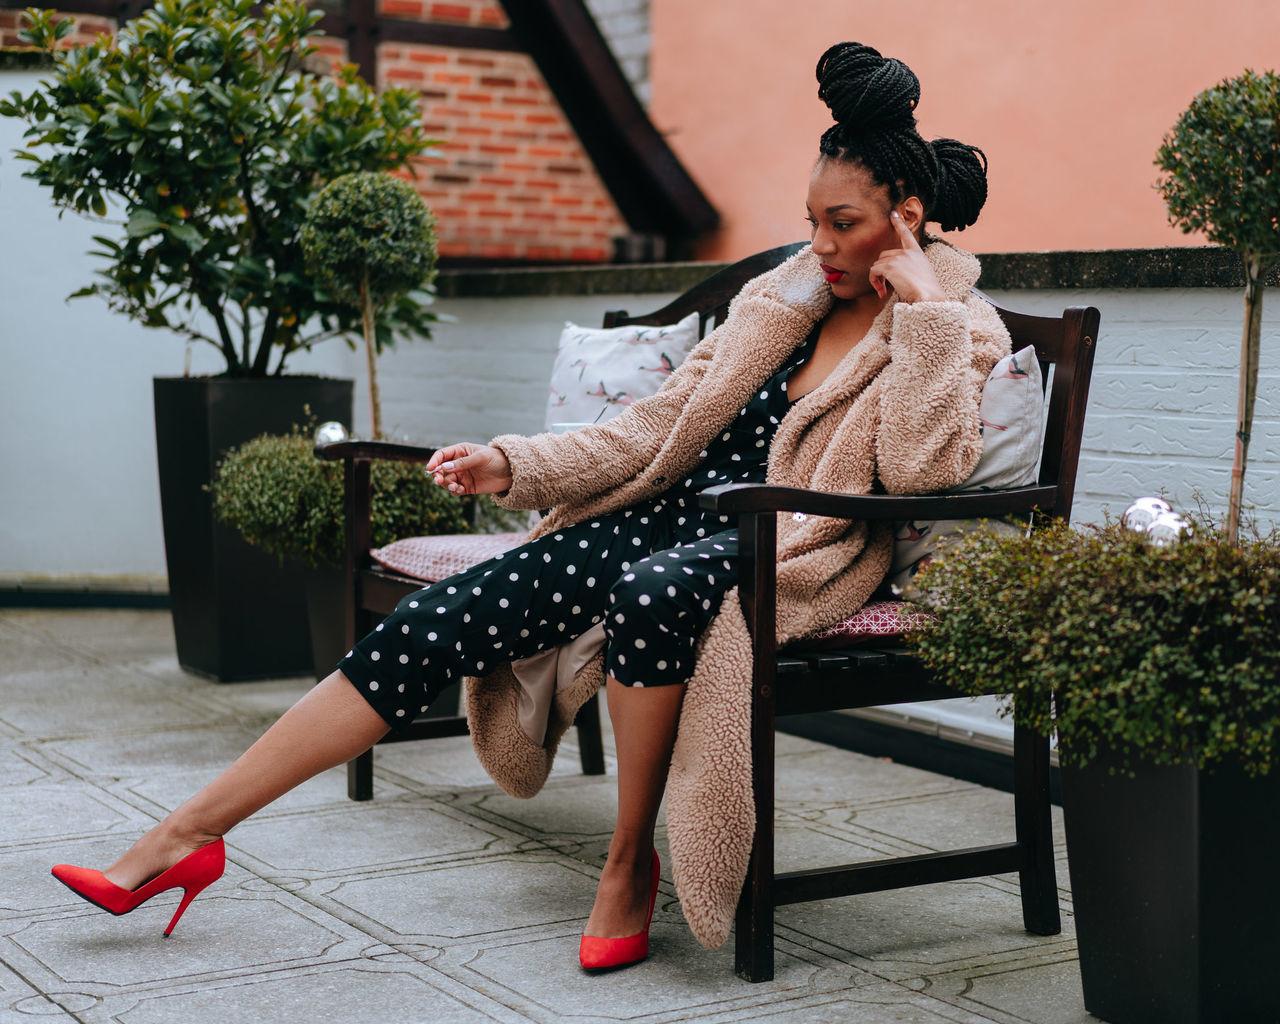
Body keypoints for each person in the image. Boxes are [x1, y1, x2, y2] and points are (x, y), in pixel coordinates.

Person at [51, 41, 1009, 969]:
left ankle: (630, 862)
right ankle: (188, 836)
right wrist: (513, 466)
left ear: (908, 214)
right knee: (435, 621)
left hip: (786, 542)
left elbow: (926, 468)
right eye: (812, 220)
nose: (821, 245)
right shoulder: (780, 299)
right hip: (665, 518)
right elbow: (652, 430)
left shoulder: (955, 323)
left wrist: (922, 308)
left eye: (842, 223)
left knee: (651, 589)